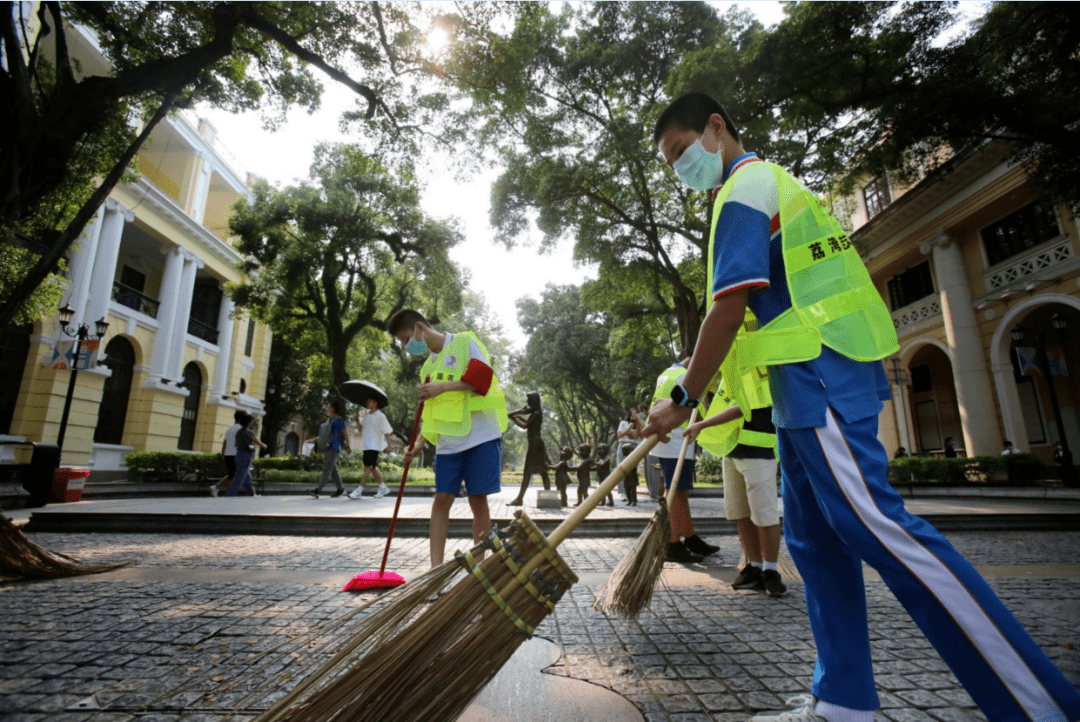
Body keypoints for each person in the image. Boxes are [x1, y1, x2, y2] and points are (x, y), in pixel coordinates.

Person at [645, 92, 1080, 722]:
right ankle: (844, 700)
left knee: (879, 527)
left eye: (682, 152)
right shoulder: (779, 188)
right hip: (800, 386)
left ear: (717, 127)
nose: (682, 170)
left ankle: (1039, 706)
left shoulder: (746, 186)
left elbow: (728, 305)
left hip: (818, 374)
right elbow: (743, 316)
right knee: (815, 541)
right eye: (672, 165)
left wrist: (681, 397)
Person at [388, 309, 508, 568]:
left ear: (420, 328)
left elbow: (482, 378)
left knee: (478, 499)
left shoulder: (465, 342)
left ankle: (478, 568)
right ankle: (434, 569)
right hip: (448, 444)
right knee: (441, 499)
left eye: (406, 339)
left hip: (480, 436)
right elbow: (430, 415)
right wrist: (417, 445)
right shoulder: (428, 368)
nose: (407, 346)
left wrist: (442, 387)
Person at [688, 399, 785, 597]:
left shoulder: (759, 370)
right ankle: (754, 566)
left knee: (764, 513)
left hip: (759, 448)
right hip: (731, 449)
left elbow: (743, 406)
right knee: (740, 511)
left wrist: (701, 425)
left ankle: (770, 570)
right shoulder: (728, 374)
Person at [652, 359, 720, 564]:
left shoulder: (666, 372)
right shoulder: (687, 377)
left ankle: (689, 537)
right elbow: (695, 410)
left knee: (678, 491)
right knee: (674, 491)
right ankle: (673, 542)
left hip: (668, 437)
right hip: (677, 437)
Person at [507, 391, 553, 506]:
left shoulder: (536, 413)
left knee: (528, 472)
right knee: (543, 471)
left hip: (535, 443)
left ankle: (520, 499)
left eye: (529, 400)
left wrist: (514, 418)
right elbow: (528, 423)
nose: (527, 402)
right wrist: (518, 415)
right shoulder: (536, 412)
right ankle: (547, 497)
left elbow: (525, 426)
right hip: (536, 442)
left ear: (533, 401)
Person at [348, 397, 394, 500]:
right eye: (367, 401)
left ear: (375, 403)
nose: (367, 403)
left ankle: (359, 491)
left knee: (367, 469)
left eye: (370, 401)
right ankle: (383, 488)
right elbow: (360, 430)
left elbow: (386, 432)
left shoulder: (381, 416)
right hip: (366, 446)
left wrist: (390, 446)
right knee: (372, 468)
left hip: (374, 446)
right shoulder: (366, 416)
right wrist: (356, 419)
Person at [309, 397, 350, 498]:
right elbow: (326, 435)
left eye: (328, 406)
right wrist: (315, 439)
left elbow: (345, 434)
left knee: (326, 469)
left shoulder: (339, 420)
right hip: (327, 446)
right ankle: (341, 489)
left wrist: (348, 447)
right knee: (333, 470)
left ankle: (317, 490)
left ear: (332, 408)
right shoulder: (328, 420)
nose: (326, 408)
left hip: (334, 447)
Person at [226, 413, 266, 496]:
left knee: (247, 477)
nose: (252, 423)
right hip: (245, 455)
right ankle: (230, 495)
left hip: (238, 454)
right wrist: (264, 446)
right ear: (249, 422)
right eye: (252, 421)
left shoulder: (239, 432)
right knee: (239, 477)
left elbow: (235, 444)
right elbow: (257, 442)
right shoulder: (250, 432)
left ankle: (252, 494)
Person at [212, 410, 246, 497]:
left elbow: (225, 442)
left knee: (232, 475)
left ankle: (217, 488)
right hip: (236, 455)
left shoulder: (229, 428)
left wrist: (223, 454)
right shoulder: (241, 429)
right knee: (236, 475)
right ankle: (223, 490)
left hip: (228, 454)